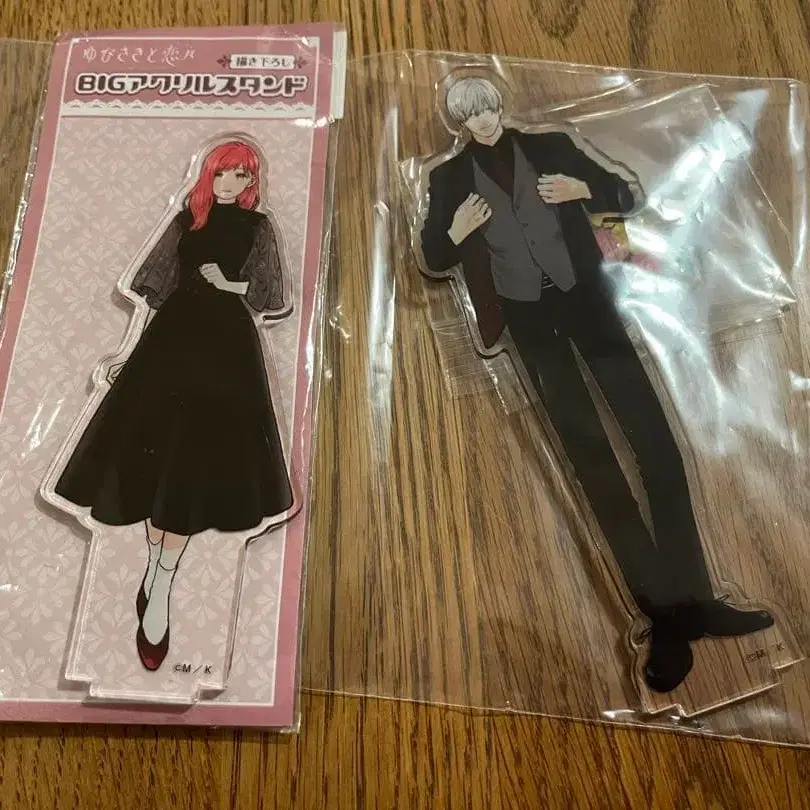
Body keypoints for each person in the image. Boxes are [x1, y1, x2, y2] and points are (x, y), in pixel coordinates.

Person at [421, 76, 773, 693]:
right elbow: (432, 254)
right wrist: (455, 231)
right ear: (458, 122)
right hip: (527, 321)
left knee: (656, 445)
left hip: (589, 302)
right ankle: (664, 615)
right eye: (468, 115)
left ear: (500, 105)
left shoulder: (551, 146)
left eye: (488, 108)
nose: (482, 121)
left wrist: (582, 189)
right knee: (594, 464)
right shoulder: (449, 179)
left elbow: (625, 193)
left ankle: (696, 597)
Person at [54, 140, 294, 672]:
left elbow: (270, 294)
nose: (231, 183)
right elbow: (155, 293)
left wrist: (230, 283)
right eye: (223, 174)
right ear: (208, 175)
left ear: (252, 181)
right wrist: (125, 352)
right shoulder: (186, 221)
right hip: (169, 347)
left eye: (241, 175)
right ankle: (158, 576)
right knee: (156, 460)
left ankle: (159, 584)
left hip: (227, 356)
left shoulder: (258, 228)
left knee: (193, 466)